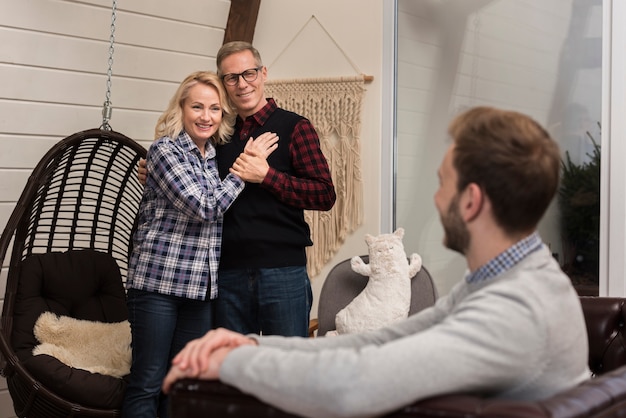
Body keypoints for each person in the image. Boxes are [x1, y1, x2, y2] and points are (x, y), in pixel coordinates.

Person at [162, 106, 592, 418]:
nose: (436, 198)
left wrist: (230, 364)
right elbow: (385, 341)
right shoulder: (509, 277)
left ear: (472, 201)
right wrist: (253, 344)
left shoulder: (514, 308)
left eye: (443, 184)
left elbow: (355, 385)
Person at [139, 41, 336, 338]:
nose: (242, 84)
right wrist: (151, 170)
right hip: (225, 274)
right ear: (223, 83)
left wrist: (268, 176)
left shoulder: (295, 128)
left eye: (249, 74)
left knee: (286, 368)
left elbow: (324, 194)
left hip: (281, 271)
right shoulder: (218, 133)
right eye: (231, 77)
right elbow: (184, 169)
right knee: (232, 373)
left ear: (263, 73)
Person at [122, 70, 278, 418]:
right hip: (158, 285)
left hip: (199, 290)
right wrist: (242, 171)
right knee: (148, 381)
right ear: (181, 108)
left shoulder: (211, 157)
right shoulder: (165, 151)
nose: (206, 116)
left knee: (183, 384)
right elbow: (206, 208)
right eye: (197, 107)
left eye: (214, 108)